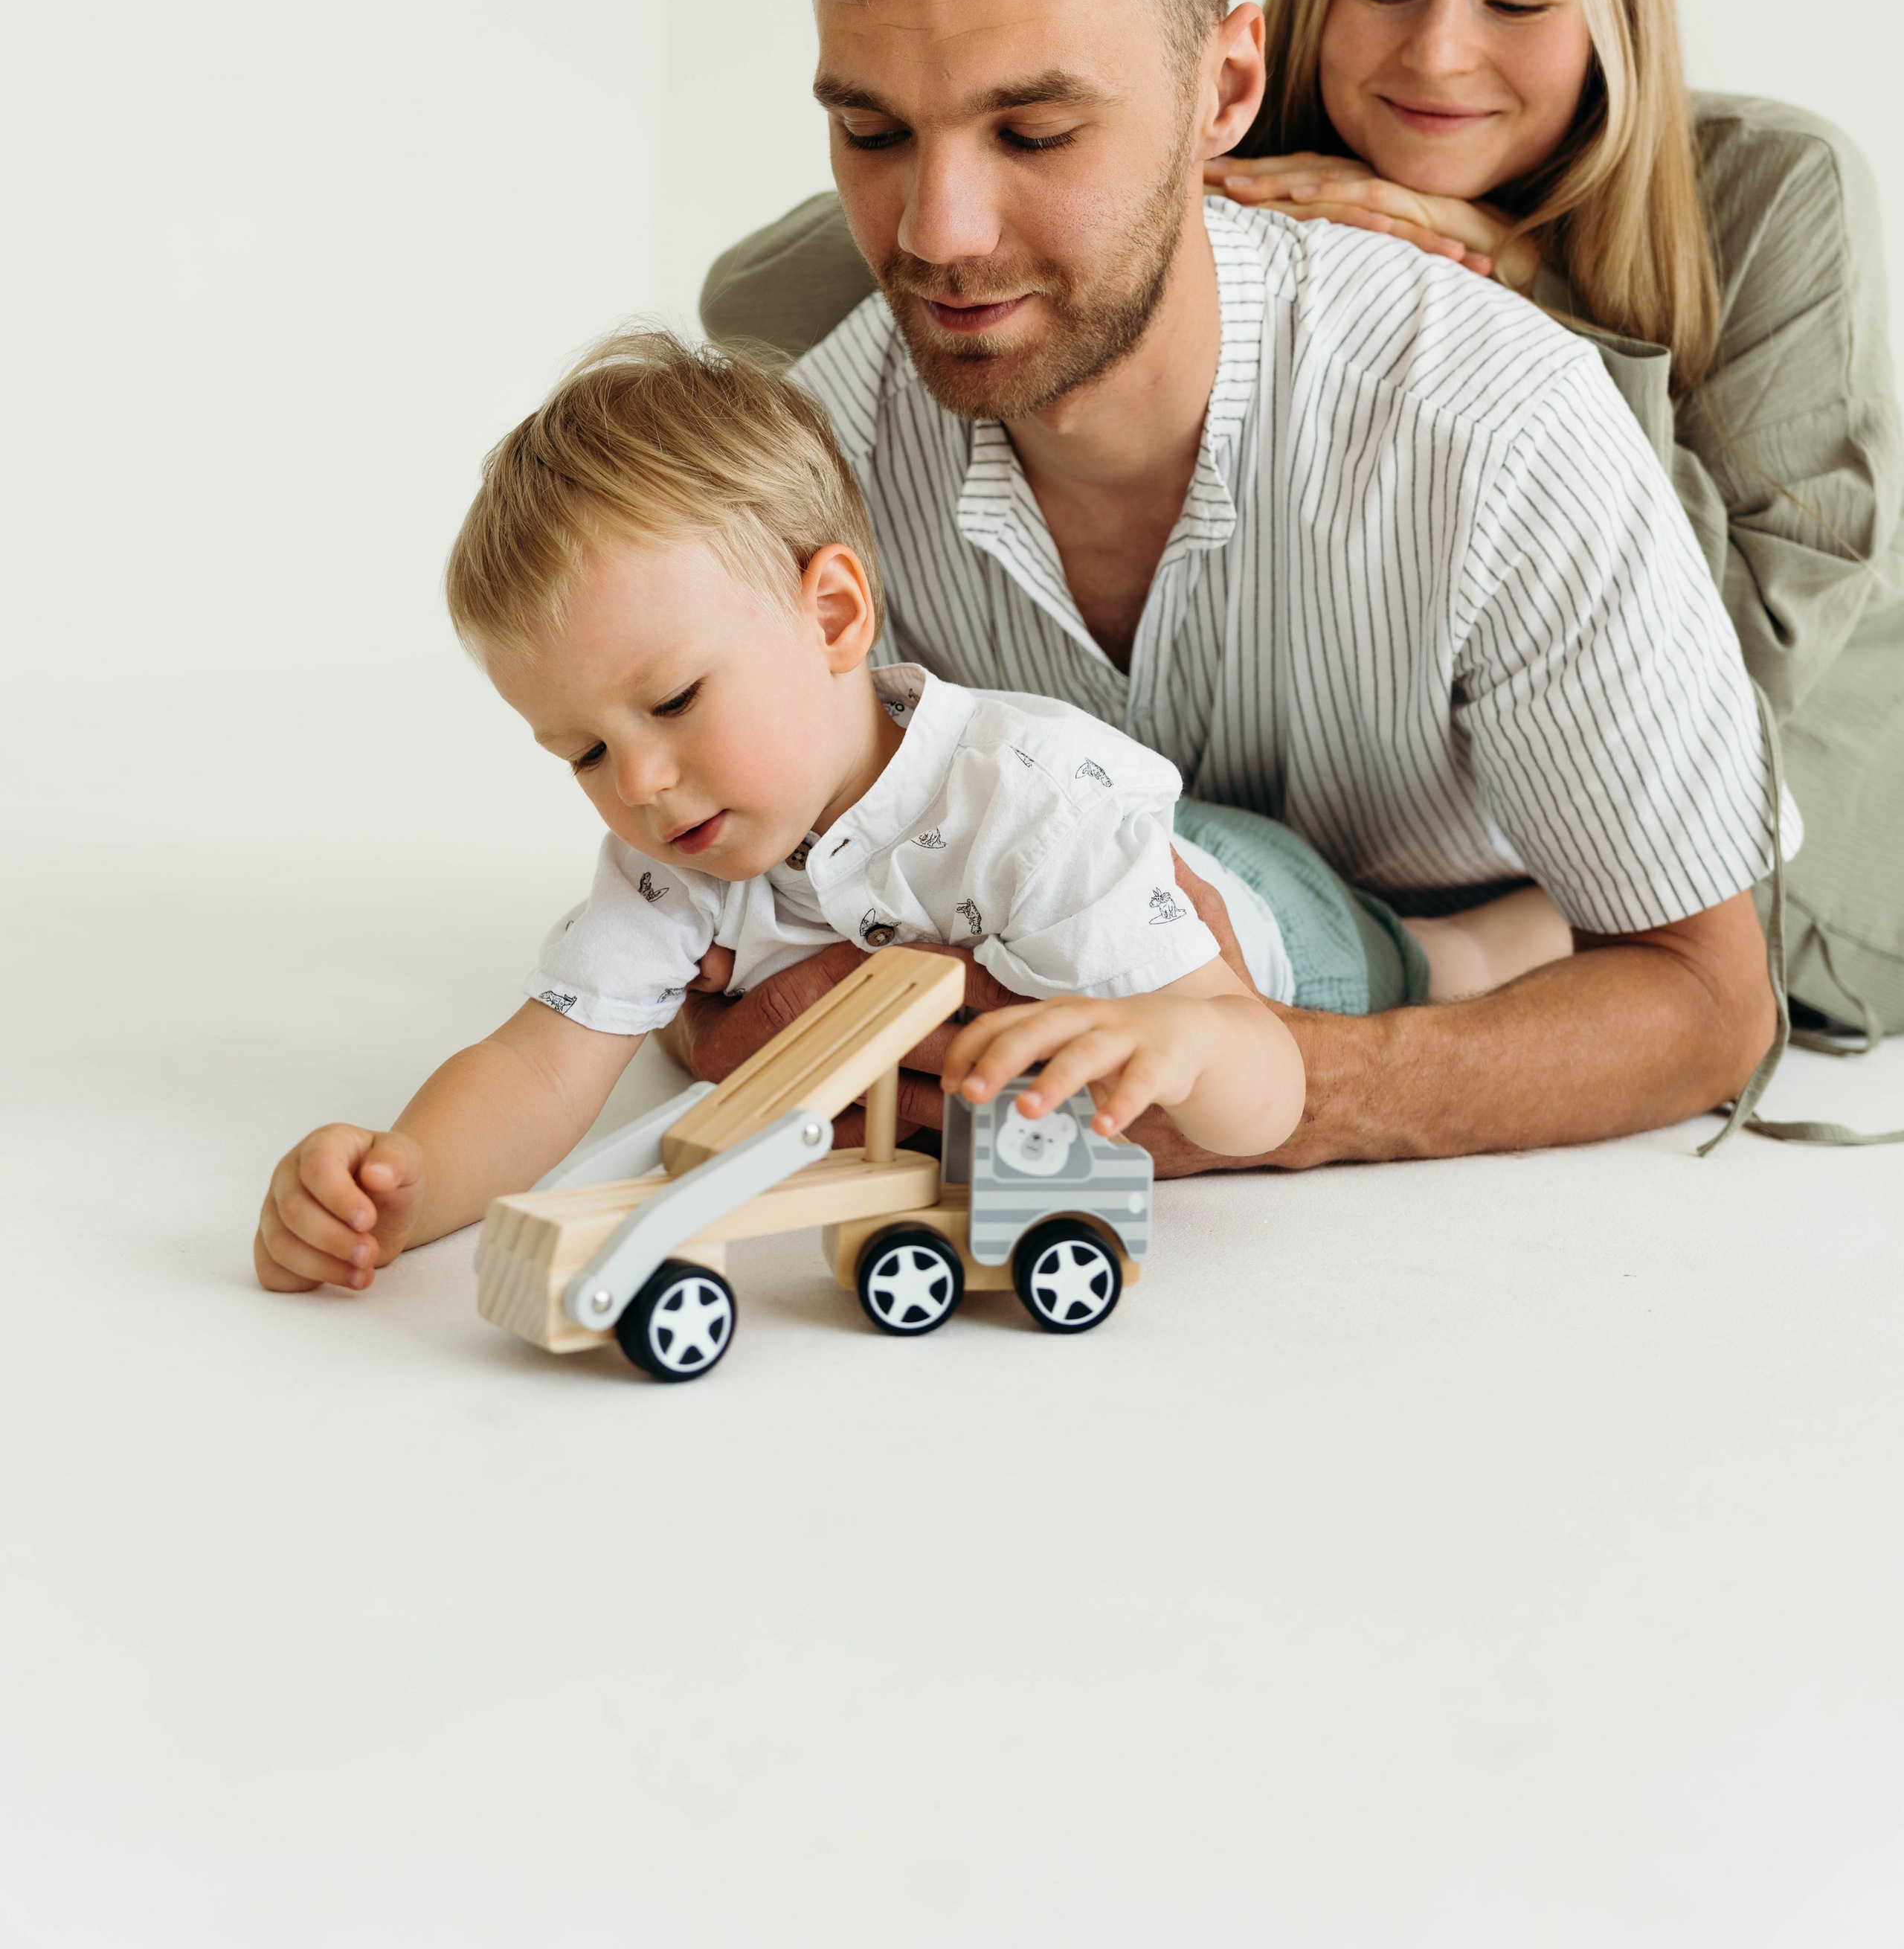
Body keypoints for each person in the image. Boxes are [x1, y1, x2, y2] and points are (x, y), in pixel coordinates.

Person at [704, 0, 1904, 1062]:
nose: (1439, 56)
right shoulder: (1225, 164)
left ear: (1617, 10)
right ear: (1279, 34)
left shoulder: (1762, 197)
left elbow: (1742, 673)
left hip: (1802, 839)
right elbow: (772, 287)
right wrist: (1129, 206)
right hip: (1356, 850)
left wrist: (1507, 284)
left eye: (1517, 3)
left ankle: (1472, 948)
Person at [267, 321, 1497, 1291]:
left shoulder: (1023, 806)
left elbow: (1272, 1093)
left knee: (1427, 954)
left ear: (836, 615)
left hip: (1252, 911)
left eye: (679, 700)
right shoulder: (674, 860)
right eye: (583, 750)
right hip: (1114, 875)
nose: (638, 784)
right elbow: (540, 1070)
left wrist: (1182, 1044)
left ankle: (1500, 929)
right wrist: (404, 1180)